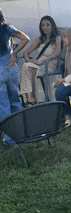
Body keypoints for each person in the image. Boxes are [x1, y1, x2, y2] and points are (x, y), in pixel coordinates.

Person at [0, 8, 30, 146]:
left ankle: (10, 139)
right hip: (11, 68)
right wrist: (14, 53)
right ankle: (20, 135)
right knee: (16, 102)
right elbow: (26, 38)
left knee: (4, 106)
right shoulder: (7, 28)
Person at [19, 15, 61, 106]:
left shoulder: (57, 38)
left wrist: (44, 60)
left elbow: (58, 52)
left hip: (49, 64)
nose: (45, 27)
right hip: (38, 64)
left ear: (52, 25)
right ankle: (30, 98)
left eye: (48, 25)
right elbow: (26, 52)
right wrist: (29, 60)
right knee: (27, 67)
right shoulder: (40, 39)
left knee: (26, 68)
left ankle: (30, 99)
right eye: (43, 25)